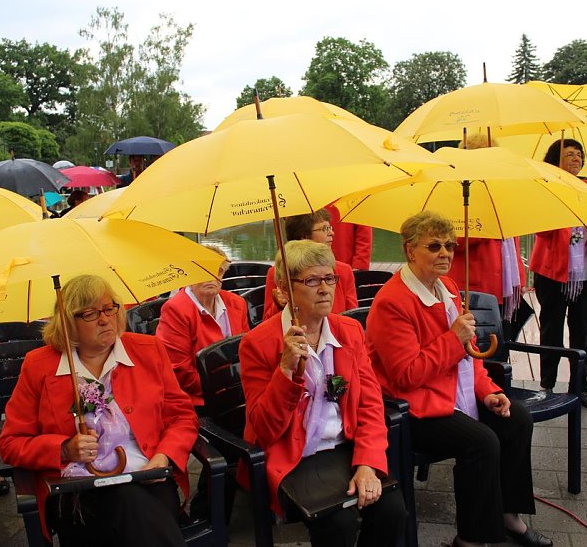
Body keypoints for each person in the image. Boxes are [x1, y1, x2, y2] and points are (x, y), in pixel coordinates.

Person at [366, 211, 551, 547]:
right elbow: (406, 374)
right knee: (481, 441)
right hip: (414, 408)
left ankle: (508, 516)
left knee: (517, 420)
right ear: (410, 250)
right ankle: (470, 539)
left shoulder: (448, 288)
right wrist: (453, 339)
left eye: (449, 246)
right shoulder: (393, 302)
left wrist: (488, 392)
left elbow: (469, 359)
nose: (445, 253)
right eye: (434, 246)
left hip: (452, 394)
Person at [0, 275, 198, 546]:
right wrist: (64, 449)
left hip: (148, 477)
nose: (105, 319)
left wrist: (163, 456)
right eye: (90, 313)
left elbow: (182, 416)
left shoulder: (148, 350)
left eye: (109, 308)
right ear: (68, 323)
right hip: (77, 492)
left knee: (136, 507)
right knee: (130, 504)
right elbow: (10, 443)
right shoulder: (38, 366)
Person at [239, 240, 406, 547]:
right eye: (312, 281)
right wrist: (285, 371)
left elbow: (370, 404)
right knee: (339, 521)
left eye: (329, 278)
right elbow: (264, 427)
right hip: (293, 455)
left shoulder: (349, 331)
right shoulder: (258, 343)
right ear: (285, 290)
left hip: (344, 446)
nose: (325, 289)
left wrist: (367, 463)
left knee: (392, 510)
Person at [532, 139, 587, 410]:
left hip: (585, 275)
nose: (576, 159)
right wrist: (559, 201)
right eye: (569, 154)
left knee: (581, 333)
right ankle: (546, 386)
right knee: (551, 331)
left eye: (579, 155)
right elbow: (541, 230)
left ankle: (579, 387)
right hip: (551, 274)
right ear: (556, 159)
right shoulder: (545, 188)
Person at [446, 134, 529, 341]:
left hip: (506, 287)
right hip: (474, 287)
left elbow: (513, 242)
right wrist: (488, 227)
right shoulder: (458, 192)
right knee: (478, 344)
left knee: (503, 342)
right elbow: (453, 242)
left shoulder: (501, 192)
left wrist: (521, 279)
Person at [156, 245, 250, 409]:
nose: (211, 276)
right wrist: (224, 390)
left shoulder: (237, 303)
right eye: (203, 270)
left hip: (239, 390)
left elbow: (248, 352)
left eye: (218, 271)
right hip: (198, 399)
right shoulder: (175, 310)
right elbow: (180, 372)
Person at [262, 209, 358, 320]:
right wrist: (279, 305)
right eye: (324, 229)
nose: (331, 233)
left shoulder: (344, 271)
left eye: (329, 279)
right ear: (304, 236)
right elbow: (267, 321)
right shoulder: (280, 272)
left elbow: (353, 316)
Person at [326, 204, 372, 271]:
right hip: (315, 262)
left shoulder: (354, 199)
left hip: (346, 264)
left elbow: (364, 234)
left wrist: (359, 266)